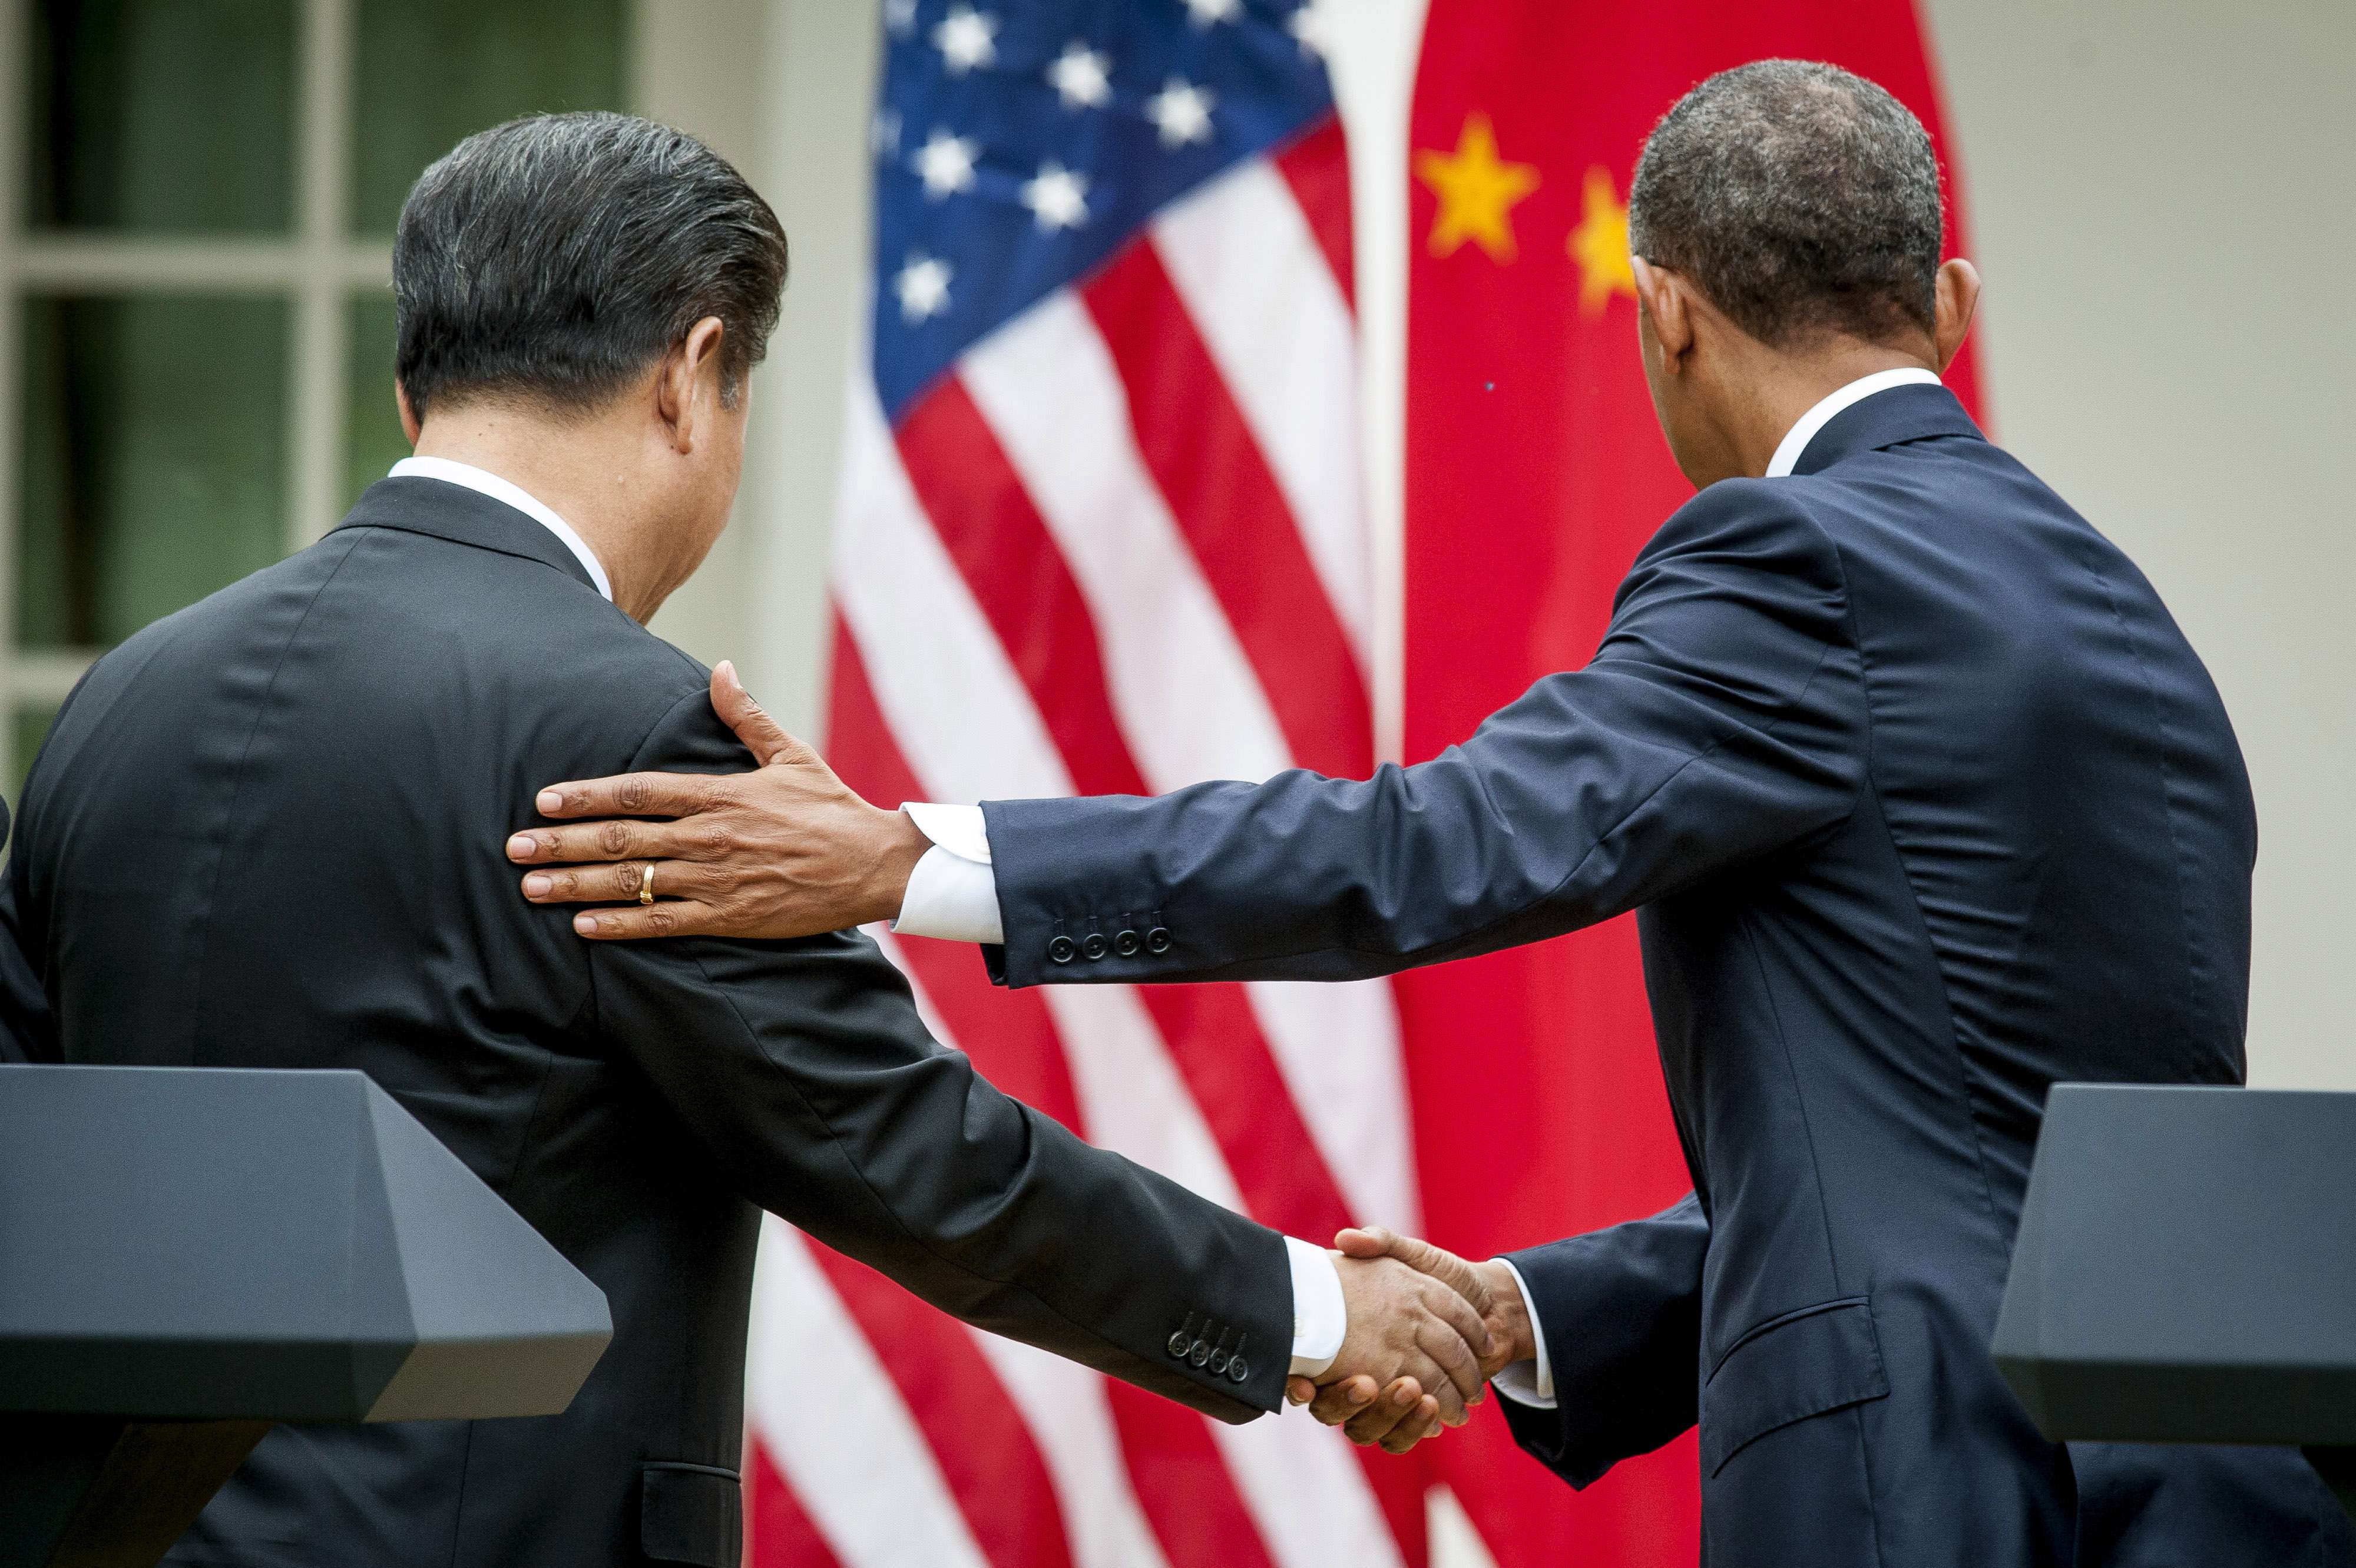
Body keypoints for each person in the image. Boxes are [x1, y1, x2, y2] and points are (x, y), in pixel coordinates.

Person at [507, 62, 2354, 1567]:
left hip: (1919, 1479)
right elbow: (1981, 1160)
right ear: (1953, 307)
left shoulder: (1794, 552)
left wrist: (916, 856)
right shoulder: (2129, 622)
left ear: (1672, 319)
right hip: (2205, 1479)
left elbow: (1426, 845)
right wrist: (1528, 1314)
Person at [0, 113, 1498, 1568]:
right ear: (692, 372)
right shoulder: (629, 731)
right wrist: (1308, 1312)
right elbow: (910, 1154)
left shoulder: (120, 707)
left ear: (414, 393)